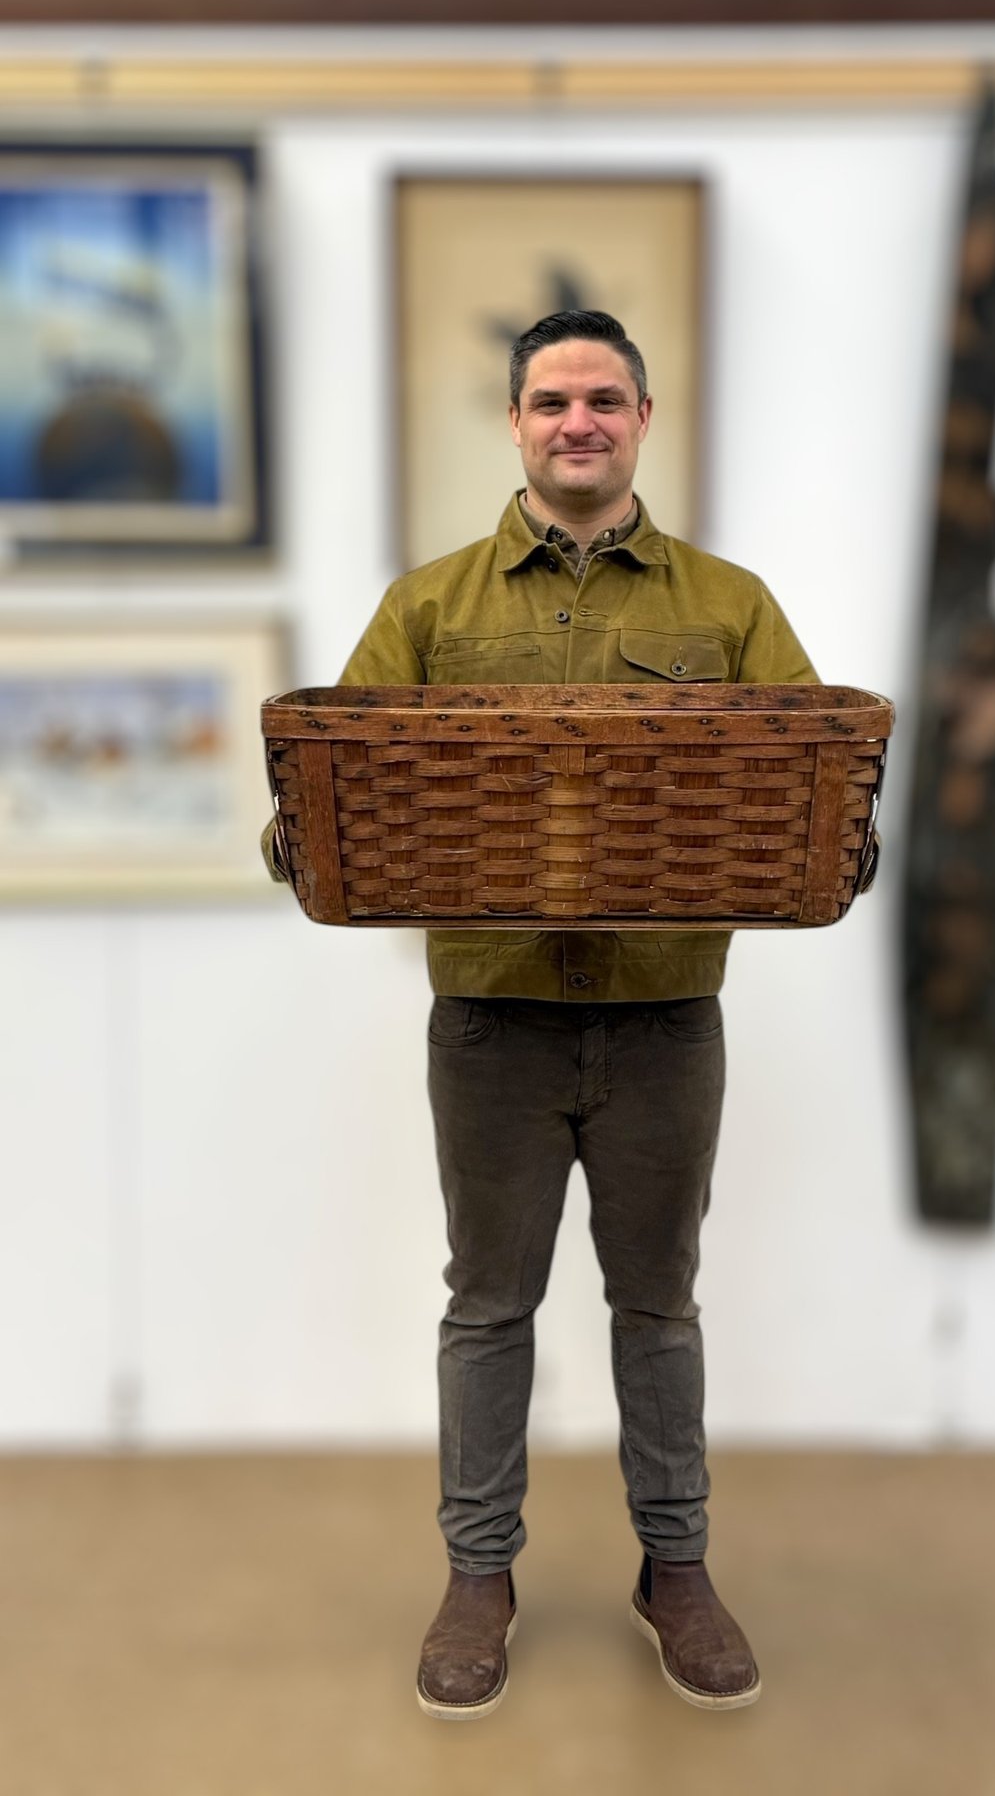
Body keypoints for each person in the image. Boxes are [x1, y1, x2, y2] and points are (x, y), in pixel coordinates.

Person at [263, 309, 820, 1720]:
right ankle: (478, 1577)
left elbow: (814, 780)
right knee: (488, 1308)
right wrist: (300, 839)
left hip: (665, 1018)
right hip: (490, 1023)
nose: (580, 421)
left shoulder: (730, 607)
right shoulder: (428, 609)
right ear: (514, 423)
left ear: (644, 420)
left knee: (658, 1307)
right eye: (553, 400)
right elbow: (332, 785)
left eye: (605, 399)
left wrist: (839, 844)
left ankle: (674, 1569)